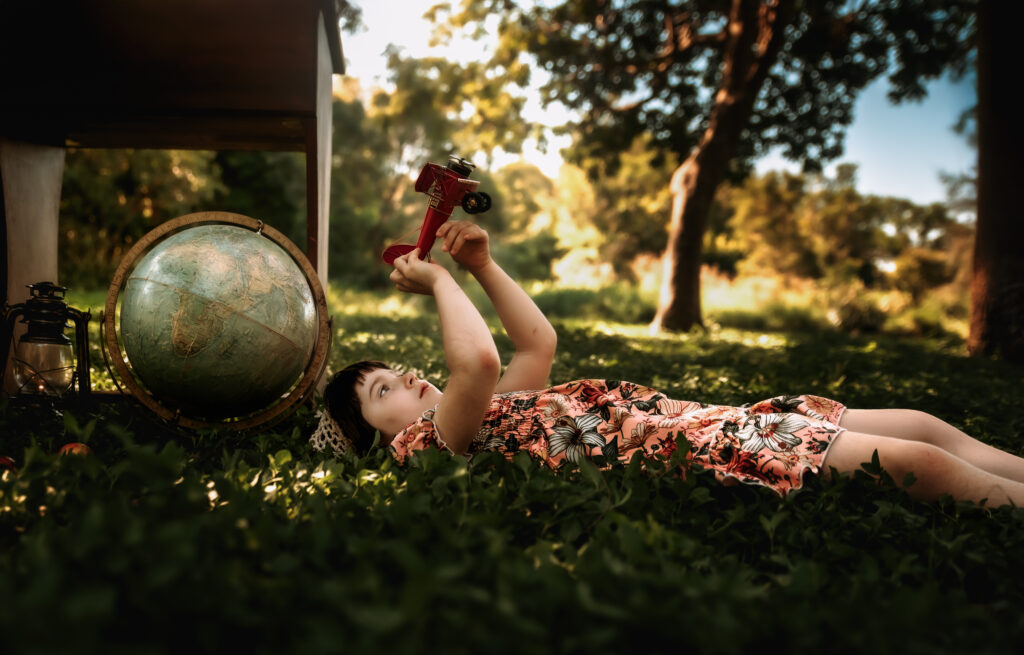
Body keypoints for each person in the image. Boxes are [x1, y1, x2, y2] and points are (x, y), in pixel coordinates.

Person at [311, 221, 1024, 509]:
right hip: (702, 450)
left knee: (925, 424)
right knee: (920, 465)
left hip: (716, 420)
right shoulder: (443, 445)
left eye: (392, 368)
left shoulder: (497, 414)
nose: (404, 376)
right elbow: (479, 361)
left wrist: (483, 267)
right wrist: (439, 283)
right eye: (381, 389)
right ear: (386, 441)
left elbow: (535, 348)